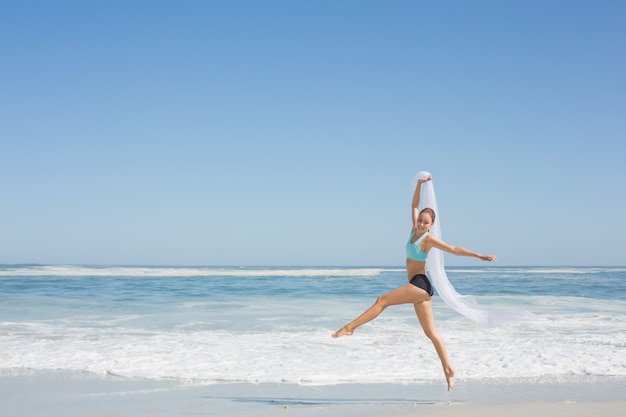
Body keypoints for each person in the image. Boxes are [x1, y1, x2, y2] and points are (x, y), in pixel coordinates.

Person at [332, 175, 497, 391]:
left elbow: (454, 249)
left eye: (425, 222)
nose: (420, 223)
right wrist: (419, 184)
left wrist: (479, 255)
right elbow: (414, 204)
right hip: (420, 288)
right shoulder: (413, 231)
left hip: (421, 284)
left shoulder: (427, 239)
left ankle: (350, 328)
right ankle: (448, 369)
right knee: (431, 334)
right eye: (419, 220)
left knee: (382, 300)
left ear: (431, 225)